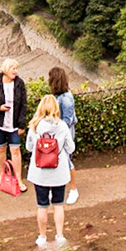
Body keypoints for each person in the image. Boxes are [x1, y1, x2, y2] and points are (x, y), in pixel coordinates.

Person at [25, 93, 75, 248]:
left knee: (42, 206)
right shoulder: (62, 126)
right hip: (59, 173)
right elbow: (71, 148)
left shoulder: (34, 126)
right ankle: (59, 236)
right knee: (58, 205)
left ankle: (42, 237)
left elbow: (28, 147)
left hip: (40, 174)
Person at [0, 58, 28, 193]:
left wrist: (21, 125)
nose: (16, 71)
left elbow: (23, 105)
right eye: (13, 68)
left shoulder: (20, 84)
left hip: (14, 124)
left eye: (16, 68)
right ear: (6, 69)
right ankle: (2, 174)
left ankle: (19, 179)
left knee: (15, 150)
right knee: (1, 148)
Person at [46, 66, 81, 204]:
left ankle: (73, 190)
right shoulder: (61, 96)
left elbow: (68, 120)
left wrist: (57, 133)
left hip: (64, 133)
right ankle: (55, 188)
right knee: (57, 160)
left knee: (66, 160)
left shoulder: (65, 98)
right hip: (60, 132)